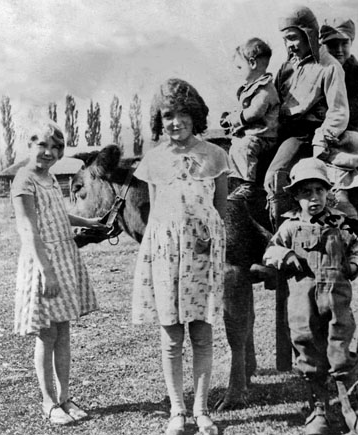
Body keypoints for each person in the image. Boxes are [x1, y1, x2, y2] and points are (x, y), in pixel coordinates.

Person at [132, 78, 229, 435]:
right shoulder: (154, 160)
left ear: (196, 116)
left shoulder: (215, 156)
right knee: (171, 338)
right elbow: (155, 215)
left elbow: (219, 211)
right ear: (160, 120)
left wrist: (209, 244)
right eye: (168, 115)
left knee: (202, 335)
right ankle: (177, 410)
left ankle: (202, 410)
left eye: (182, 114)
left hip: (203, 254)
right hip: (166, 257)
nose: (175, 122)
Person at [263, 158, 358, 435]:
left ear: (328, 192)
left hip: (337, 301)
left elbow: (357, 250)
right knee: (308, 352)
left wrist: (354, 264)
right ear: (295, 196)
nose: (314, 198)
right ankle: (318, 411)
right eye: (306, 193)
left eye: (319, 191)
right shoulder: (289, 227)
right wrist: (287, 255)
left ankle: (353, 412)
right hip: (303, 305)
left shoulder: (340, 225)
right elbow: (270, 251)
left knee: (340, 354)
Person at [12, 121, 107, 425]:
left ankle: (66, 397)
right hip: (43, 260)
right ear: (29, 145)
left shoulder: (50, 178)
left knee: (63, 330)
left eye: (56, 147)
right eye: (43, 145)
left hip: (63, 255)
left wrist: (90, 223)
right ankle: (49, 402)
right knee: (47, 334)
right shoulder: (23, 180)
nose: (49, 152)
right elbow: (28, 228)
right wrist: (46, 271)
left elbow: (57, 213)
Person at [264, 5, 358, 225]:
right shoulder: (287, 67)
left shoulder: (333, 68)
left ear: (309, 34)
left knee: (277, 174)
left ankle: (286, 231)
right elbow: (275, 100)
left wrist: (323, 135)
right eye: (286, 39)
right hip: (284, 128)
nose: (290, 45)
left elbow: (342, 109)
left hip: (319, 131)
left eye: (294, 37)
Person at [220, 37, 280, 201]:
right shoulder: (252, 88)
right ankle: (238, 178)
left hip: (264, 137)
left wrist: (236, 119)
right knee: (235, 145)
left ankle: (249, 184)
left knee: (244, 147)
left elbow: (254, 113)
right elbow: (243, 108)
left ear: (252, 63)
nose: (238, 72)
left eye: (240, 67)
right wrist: (229, 116)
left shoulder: (265, 89)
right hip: (255, 134)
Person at [320, 18, 358, 134]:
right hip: (321, 127)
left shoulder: (357, 71)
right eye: (332, 45)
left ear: (351, 42)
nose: (339, 50)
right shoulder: (320, 70)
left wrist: (332, 114)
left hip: (352, 128)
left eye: (344, 43)